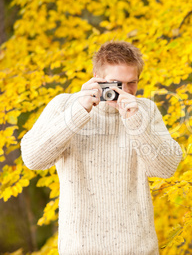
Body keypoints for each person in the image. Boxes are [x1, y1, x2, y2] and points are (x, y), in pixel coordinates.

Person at [21, 41, 183, 254]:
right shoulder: (64, 106)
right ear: (96, 77)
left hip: (138, 249)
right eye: (115, 83)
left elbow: (165, 168)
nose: (124, 91)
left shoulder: (145, 110)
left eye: (132, 83)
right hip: (80, 249)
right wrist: (79, 111)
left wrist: (135, 121)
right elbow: (33, 159)